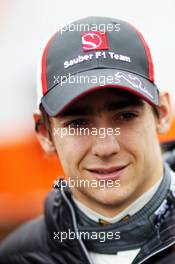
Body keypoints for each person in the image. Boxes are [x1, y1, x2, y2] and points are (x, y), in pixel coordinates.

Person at [0, 16, 175, 264]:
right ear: (44, 134)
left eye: (125, 116)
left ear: (163, 113)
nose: (105, 147)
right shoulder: (17, 257)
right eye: (78, 124)